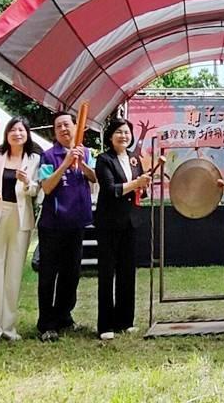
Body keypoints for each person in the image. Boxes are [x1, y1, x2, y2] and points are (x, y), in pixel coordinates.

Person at [0, 116, 41, 345]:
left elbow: (36, 192)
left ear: (27, 134)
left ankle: (8, 326)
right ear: (7, 134)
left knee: (13, 273)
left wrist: (27, 182)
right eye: (13, 130)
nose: (17, 134)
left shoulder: (34, 160)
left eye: (21, 130)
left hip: (21, 216)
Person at [36, 111, 97, 342]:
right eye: (59, 126)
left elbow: (93, 178)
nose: (63, 129)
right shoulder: (48, 156)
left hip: (77, 223)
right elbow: (48, 187)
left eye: (67, 125)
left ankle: (64, 316)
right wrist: (66, 163)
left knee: (71, 275)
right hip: (53, 225)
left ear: (75, 127)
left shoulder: (86, 152)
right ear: (55, 132)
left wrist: (80, 163)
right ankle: (46, 324)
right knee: (49, 275)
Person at [94, 118, 151, 340]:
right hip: (109, 223)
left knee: (128, 272)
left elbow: (138, 191)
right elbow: (110, 189)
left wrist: (142, 185)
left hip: (130, 222)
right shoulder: (104, 160)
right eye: (119, 132)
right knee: (108, 273)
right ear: (110, 136)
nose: (123, 136)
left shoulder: (134, 160)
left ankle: (125, 321)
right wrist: (136, 184)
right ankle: (106, 325)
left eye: (126, 132)